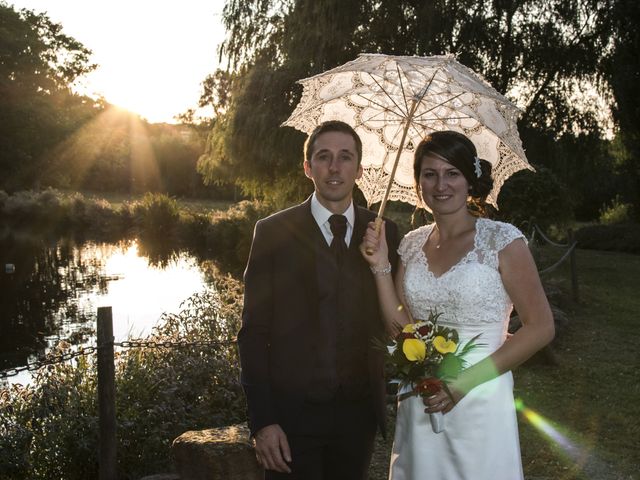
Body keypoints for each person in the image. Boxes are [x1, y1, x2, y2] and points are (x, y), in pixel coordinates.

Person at [360, 130, 555, 479]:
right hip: (421, 394)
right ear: (418, 182)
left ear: (470, 180)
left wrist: (462, 384)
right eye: (429, 174)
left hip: (480, 394)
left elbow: (541, 327)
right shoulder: (411, 243)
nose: (440, 185)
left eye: (452, 173)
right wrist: (379, 266)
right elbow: (401, 327)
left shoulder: (502, 240)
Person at [238, 120, 399, 479]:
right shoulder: (272, 232)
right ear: (308, 167)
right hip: (291, 417)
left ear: (359, 169)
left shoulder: (384, 232)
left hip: (358, 417)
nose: (335, 167)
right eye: (324, 157)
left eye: (346, 157)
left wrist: (382, 264)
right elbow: (252, 334)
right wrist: (263, 422)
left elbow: (396, 321)